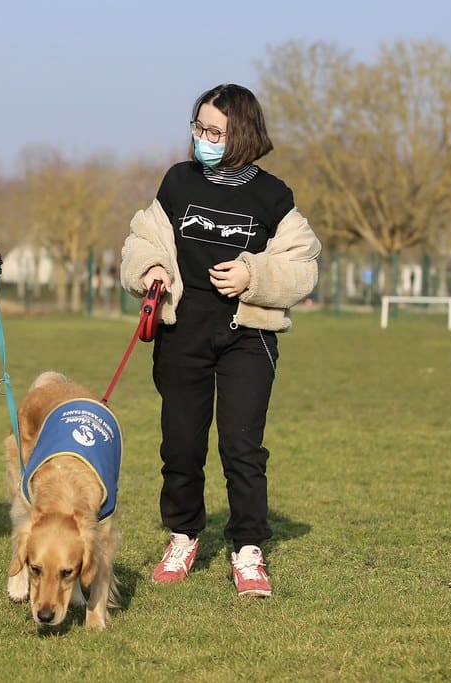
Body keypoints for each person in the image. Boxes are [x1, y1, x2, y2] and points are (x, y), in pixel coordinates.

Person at [120, 84, 322, 597]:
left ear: (243, 135)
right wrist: (152, 268)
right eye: (199, 127)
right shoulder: (178, 181)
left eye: (215, 131)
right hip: (182, 333)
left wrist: (254, 276)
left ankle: (248, 549)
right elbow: (143, 239)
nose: (204, 139)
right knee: (181, 444)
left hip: (247, 338)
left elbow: (303, 266)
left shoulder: (273, 196)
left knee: (242, 447)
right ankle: (184, 535)